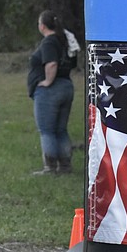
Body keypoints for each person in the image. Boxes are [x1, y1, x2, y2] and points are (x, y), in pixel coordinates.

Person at [26, 9, 74, 175]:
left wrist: (47, 81)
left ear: (43, 26)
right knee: (60, 129)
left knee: (46, 129)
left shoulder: (49, 42)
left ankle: (50, 167)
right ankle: (65, 165)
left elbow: (51, 63)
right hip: (67, 86)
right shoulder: (63, 40)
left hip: (51, 90)